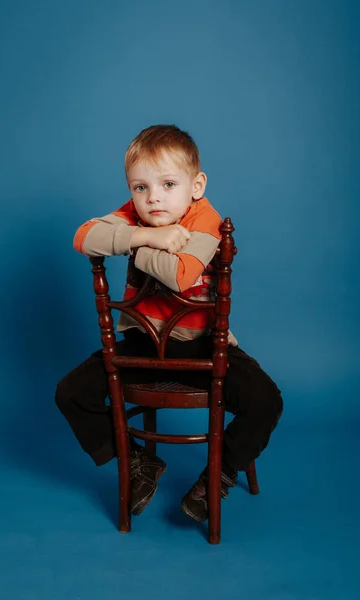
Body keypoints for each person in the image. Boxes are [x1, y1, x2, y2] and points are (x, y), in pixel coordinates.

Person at [55, 124, 283, 522]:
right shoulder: (138, 215)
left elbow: (179, 275)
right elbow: (82, 237)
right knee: (71, 392)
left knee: (266, 400)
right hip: (144, 345)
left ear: (196, 185)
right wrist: (150, 237)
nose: (153, 197)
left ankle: (219, 473)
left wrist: (131, 240)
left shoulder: (206, 219)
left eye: (167, 184)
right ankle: (139, 460)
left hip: (201, 345)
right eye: (139, 187)